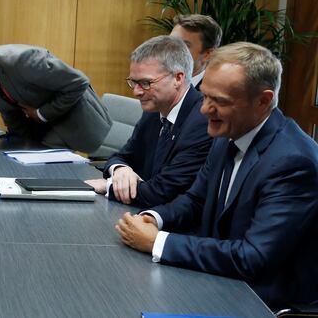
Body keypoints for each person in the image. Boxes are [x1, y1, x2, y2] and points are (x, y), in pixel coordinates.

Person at [115, 42, 318, 310]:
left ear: (263, 100)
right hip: (219, 280)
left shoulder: (293, 162)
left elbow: (253, 257)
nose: (203, 109)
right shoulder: (227, 134)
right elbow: (195, 200)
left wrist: (159, 242)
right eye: (205, 96)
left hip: (262, 301)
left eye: (219, 101)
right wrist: (154, 218)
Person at [85, 36, 212, 207]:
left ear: (178, 78)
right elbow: (121, 156)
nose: (136, 92)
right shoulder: (154, 111)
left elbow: (162, 192)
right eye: (134, 82)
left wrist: (108, 186)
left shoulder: (202, 122)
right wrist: (121, 169)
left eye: (145, 83)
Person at [0, 29, 111, 153]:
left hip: (81, 125)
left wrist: (41, 113)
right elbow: (8, 111)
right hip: (47, 134)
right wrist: (20, 146)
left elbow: (78, 83)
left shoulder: (23, 59)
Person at [169, 14, 222, 90]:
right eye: (170, 41)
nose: (171, 49)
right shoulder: (154, 80)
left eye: (184, 45)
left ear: (208, 54)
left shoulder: (214, 92)